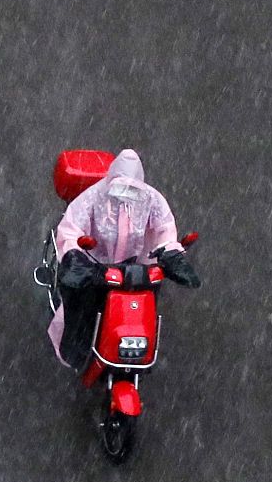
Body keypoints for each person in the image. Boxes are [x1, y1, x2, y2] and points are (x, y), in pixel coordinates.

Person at [47, 148, 199, 369]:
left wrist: (170, 254)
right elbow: (70, 231)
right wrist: (76, 257)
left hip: (136, 269)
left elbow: (164, 230)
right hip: (96, 267)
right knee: (81, 313)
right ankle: (77, 350)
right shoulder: (92, 198)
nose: (127, 192)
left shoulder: (152, 200)